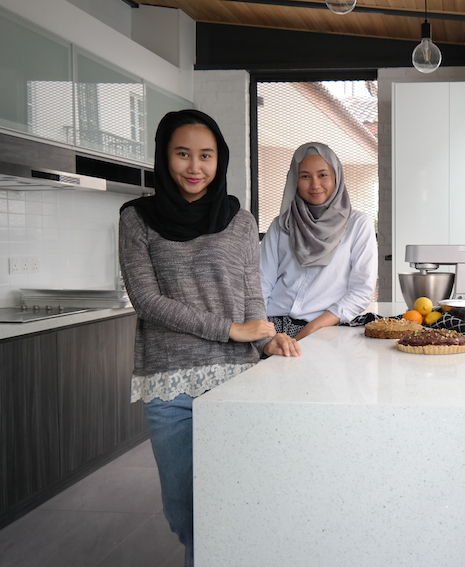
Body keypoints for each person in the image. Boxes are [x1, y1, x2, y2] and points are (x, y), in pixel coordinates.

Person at [118, 109, 301, 567]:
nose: (194, 167)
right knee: (183, 511)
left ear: (220, 160)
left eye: (206, 155)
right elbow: (146, 300)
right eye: (183, 154)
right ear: (165, 156)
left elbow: (250, 296)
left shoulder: (239, 220)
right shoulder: (137, 219)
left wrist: (264, 339)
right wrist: (229, 330)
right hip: (170, 383)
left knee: (228, 507)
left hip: (235, 379)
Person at [260, 142, 378, 339]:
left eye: (323, 175)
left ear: (336, 177)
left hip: (325, 329)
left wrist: (309, 331)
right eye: (305, 176)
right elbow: (261, 283)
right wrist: (263, 335)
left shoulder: (358, 225)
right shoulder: (282, 225)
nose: (315, 185)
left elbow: (361, 291)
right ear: (295, 180)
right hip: (272, 327)